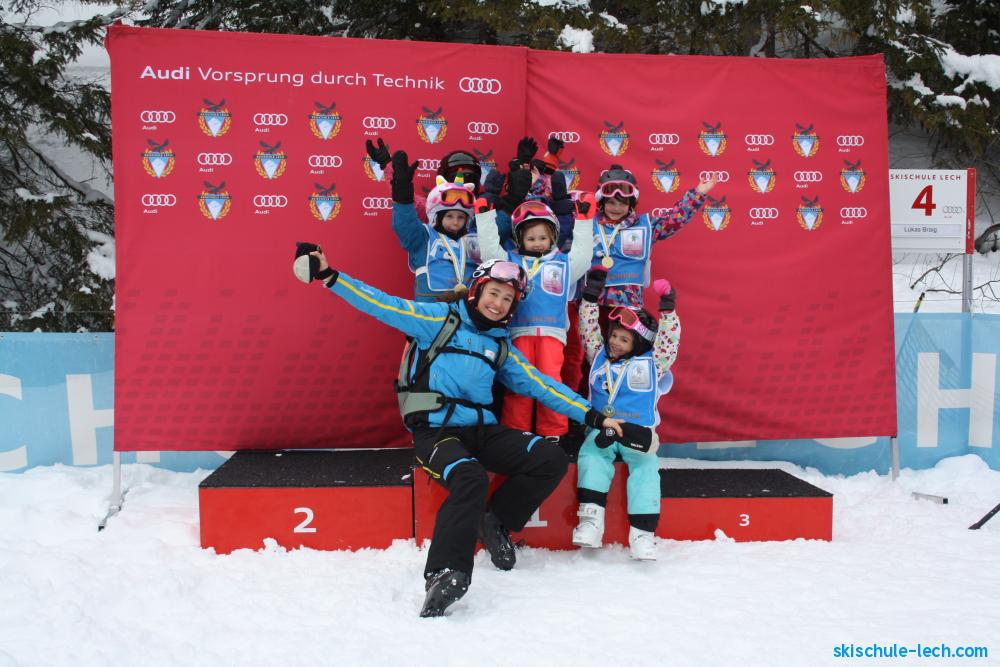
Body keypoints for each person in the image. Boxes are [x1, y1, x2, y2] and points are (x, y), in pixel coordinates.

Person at [293, 249, 643, 618]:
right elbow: (382, 304)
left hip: (482, 430)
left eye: (507, 299)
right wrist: (330, 276)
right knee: (469, 478)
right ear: (476, 291)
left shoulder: (499, 346)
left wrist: (594, 417)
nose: (499, 304)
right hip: (436, 432)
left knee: (549, 457)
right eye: (494, 293)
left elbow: (542, 385)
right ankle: (445, 573)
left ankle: (496, 520)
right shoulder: (437, 320)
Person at [560, 165, 717, 398]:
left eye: (622, 203)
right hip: (588, 305)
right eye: (611, 202)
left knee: (624, 359)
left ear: (632, 203)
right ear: (601, 201)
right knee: (579, 360)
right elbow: (554, 221)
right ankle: (578, 408)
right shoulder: (585, 223)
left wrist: (698, 194)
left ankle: (620, 405)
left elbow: (674, 218)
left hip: (625, 310)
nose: (616, 208)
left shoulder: (645, 226)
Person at [572, 267, 681, 561]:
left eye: (624, 339)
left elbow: (669, 342)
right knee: (592, 455)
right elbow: (588, 329)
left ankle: (643, 534)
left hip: (638, 432)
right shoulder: (599, 357)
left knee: (645, 468)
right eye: (614, 335)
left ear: (639, 344)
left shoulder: (653, 364)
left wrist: (668, 310)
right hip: (603, 428)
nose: (614, 342)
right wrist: (590, 298)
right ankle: (591, 521)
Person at [476, 195, 594, 438]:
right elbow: (489, 253)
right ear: (520, 239)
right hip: (518, 333)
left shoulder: (563, 264)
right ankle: (515, 430)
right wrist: (485, 218)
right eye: (531, 239)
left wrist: (584, 221)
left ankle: (552, 429)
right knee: (518, 382)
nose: (537, 243)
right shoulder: (511, 263)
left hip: (552, 335)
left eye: (543, 238)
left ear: (553, 237)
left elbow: (583, 256)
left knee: (550, 382)